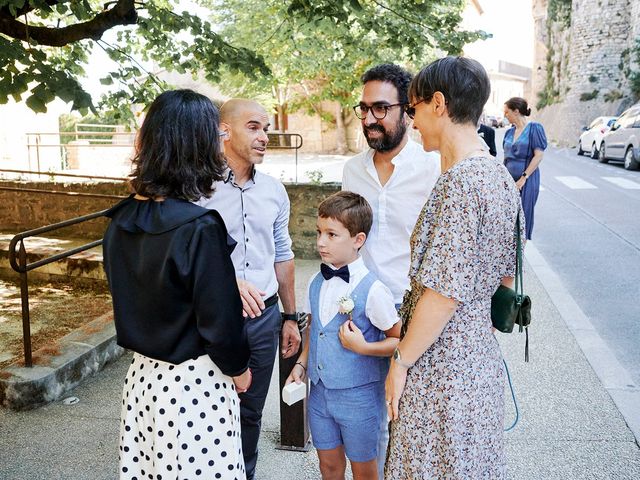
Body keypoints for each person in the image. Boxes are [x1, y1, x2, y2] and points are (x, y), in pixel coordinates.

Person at [384, 57, 524, 479]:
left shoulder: (461, 182)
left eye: (413, 109)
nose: (412, 122)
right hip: (477, 358)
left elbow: (443, 295)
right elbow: (505, 276)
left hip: (441, 367)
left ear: (438, 104)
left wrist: (401, 362)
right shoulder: (498, 177)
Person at [103, 89, 252, 480]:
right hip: (193, 384)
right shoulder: (198, 227)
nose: (221, 143)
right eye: (215, 135)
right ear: (196, 145)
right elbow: (220, 322)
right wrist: (239, 368)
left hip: (142, 381)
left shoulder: (119, 220)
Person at [342, 64, 440, 478]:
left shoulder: (434, 167)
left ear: (407, 110)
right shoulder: (352, 170)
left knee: (412, 425)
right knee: (366, 426)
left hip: (414, 315)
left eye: (380, 108)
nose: (368, 119)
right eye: (363, 109)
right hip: (361, 312)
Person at [196, 98, 301, 480]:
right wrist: (225, 283)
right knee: (205, 411)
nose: (264, 137)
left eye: (267, 129)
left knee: (251, 412)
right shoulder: (196, 189)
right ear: (223, 131)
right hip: (210, 321)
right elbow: (183, 257)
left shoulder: (274, 191)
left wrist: (290, 317)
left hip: (264, 319)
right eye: (254, 127)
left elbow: (283, 255)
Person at [286, 191, 401, 480]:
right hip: (320, 395)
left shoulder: (373, 290)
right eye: (319, 232)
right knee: (329, 467)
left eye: (332, 234)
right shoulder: (315, 281)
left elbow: (399, 341)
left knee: (365, 472)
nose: (321, 242)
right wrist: (301, 365)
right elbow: (315, 330)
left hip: (360, 398)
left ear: (358, 240)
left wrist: (363, 347)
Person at [503, 96, 547, 239]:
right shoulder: (509, 132)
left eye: (507, 112)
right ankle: (507, 253)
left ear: (516, 111)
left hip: (526, 180)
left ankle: (520, 254)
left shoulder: (534, 129)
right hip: (509, 181)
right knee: (507, 216)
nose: (505, 115)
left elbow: (538, 156)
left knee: (523, 216)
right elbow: (506, 158)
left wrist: (524, 177)